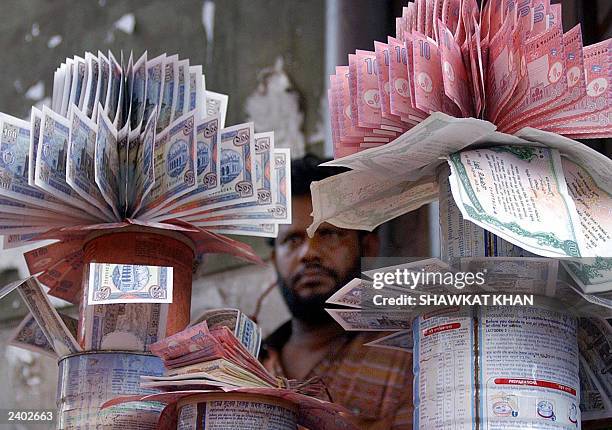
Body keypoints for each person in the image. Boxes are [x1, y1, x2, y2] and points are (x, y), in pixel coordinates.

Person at [260, 154, 412, 430]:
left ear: (368, 248)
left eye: (328, 234)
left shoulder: (410, 355)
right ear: (274, 260)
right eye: (292, 240)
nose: (309, 253)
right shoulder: (248, 365)